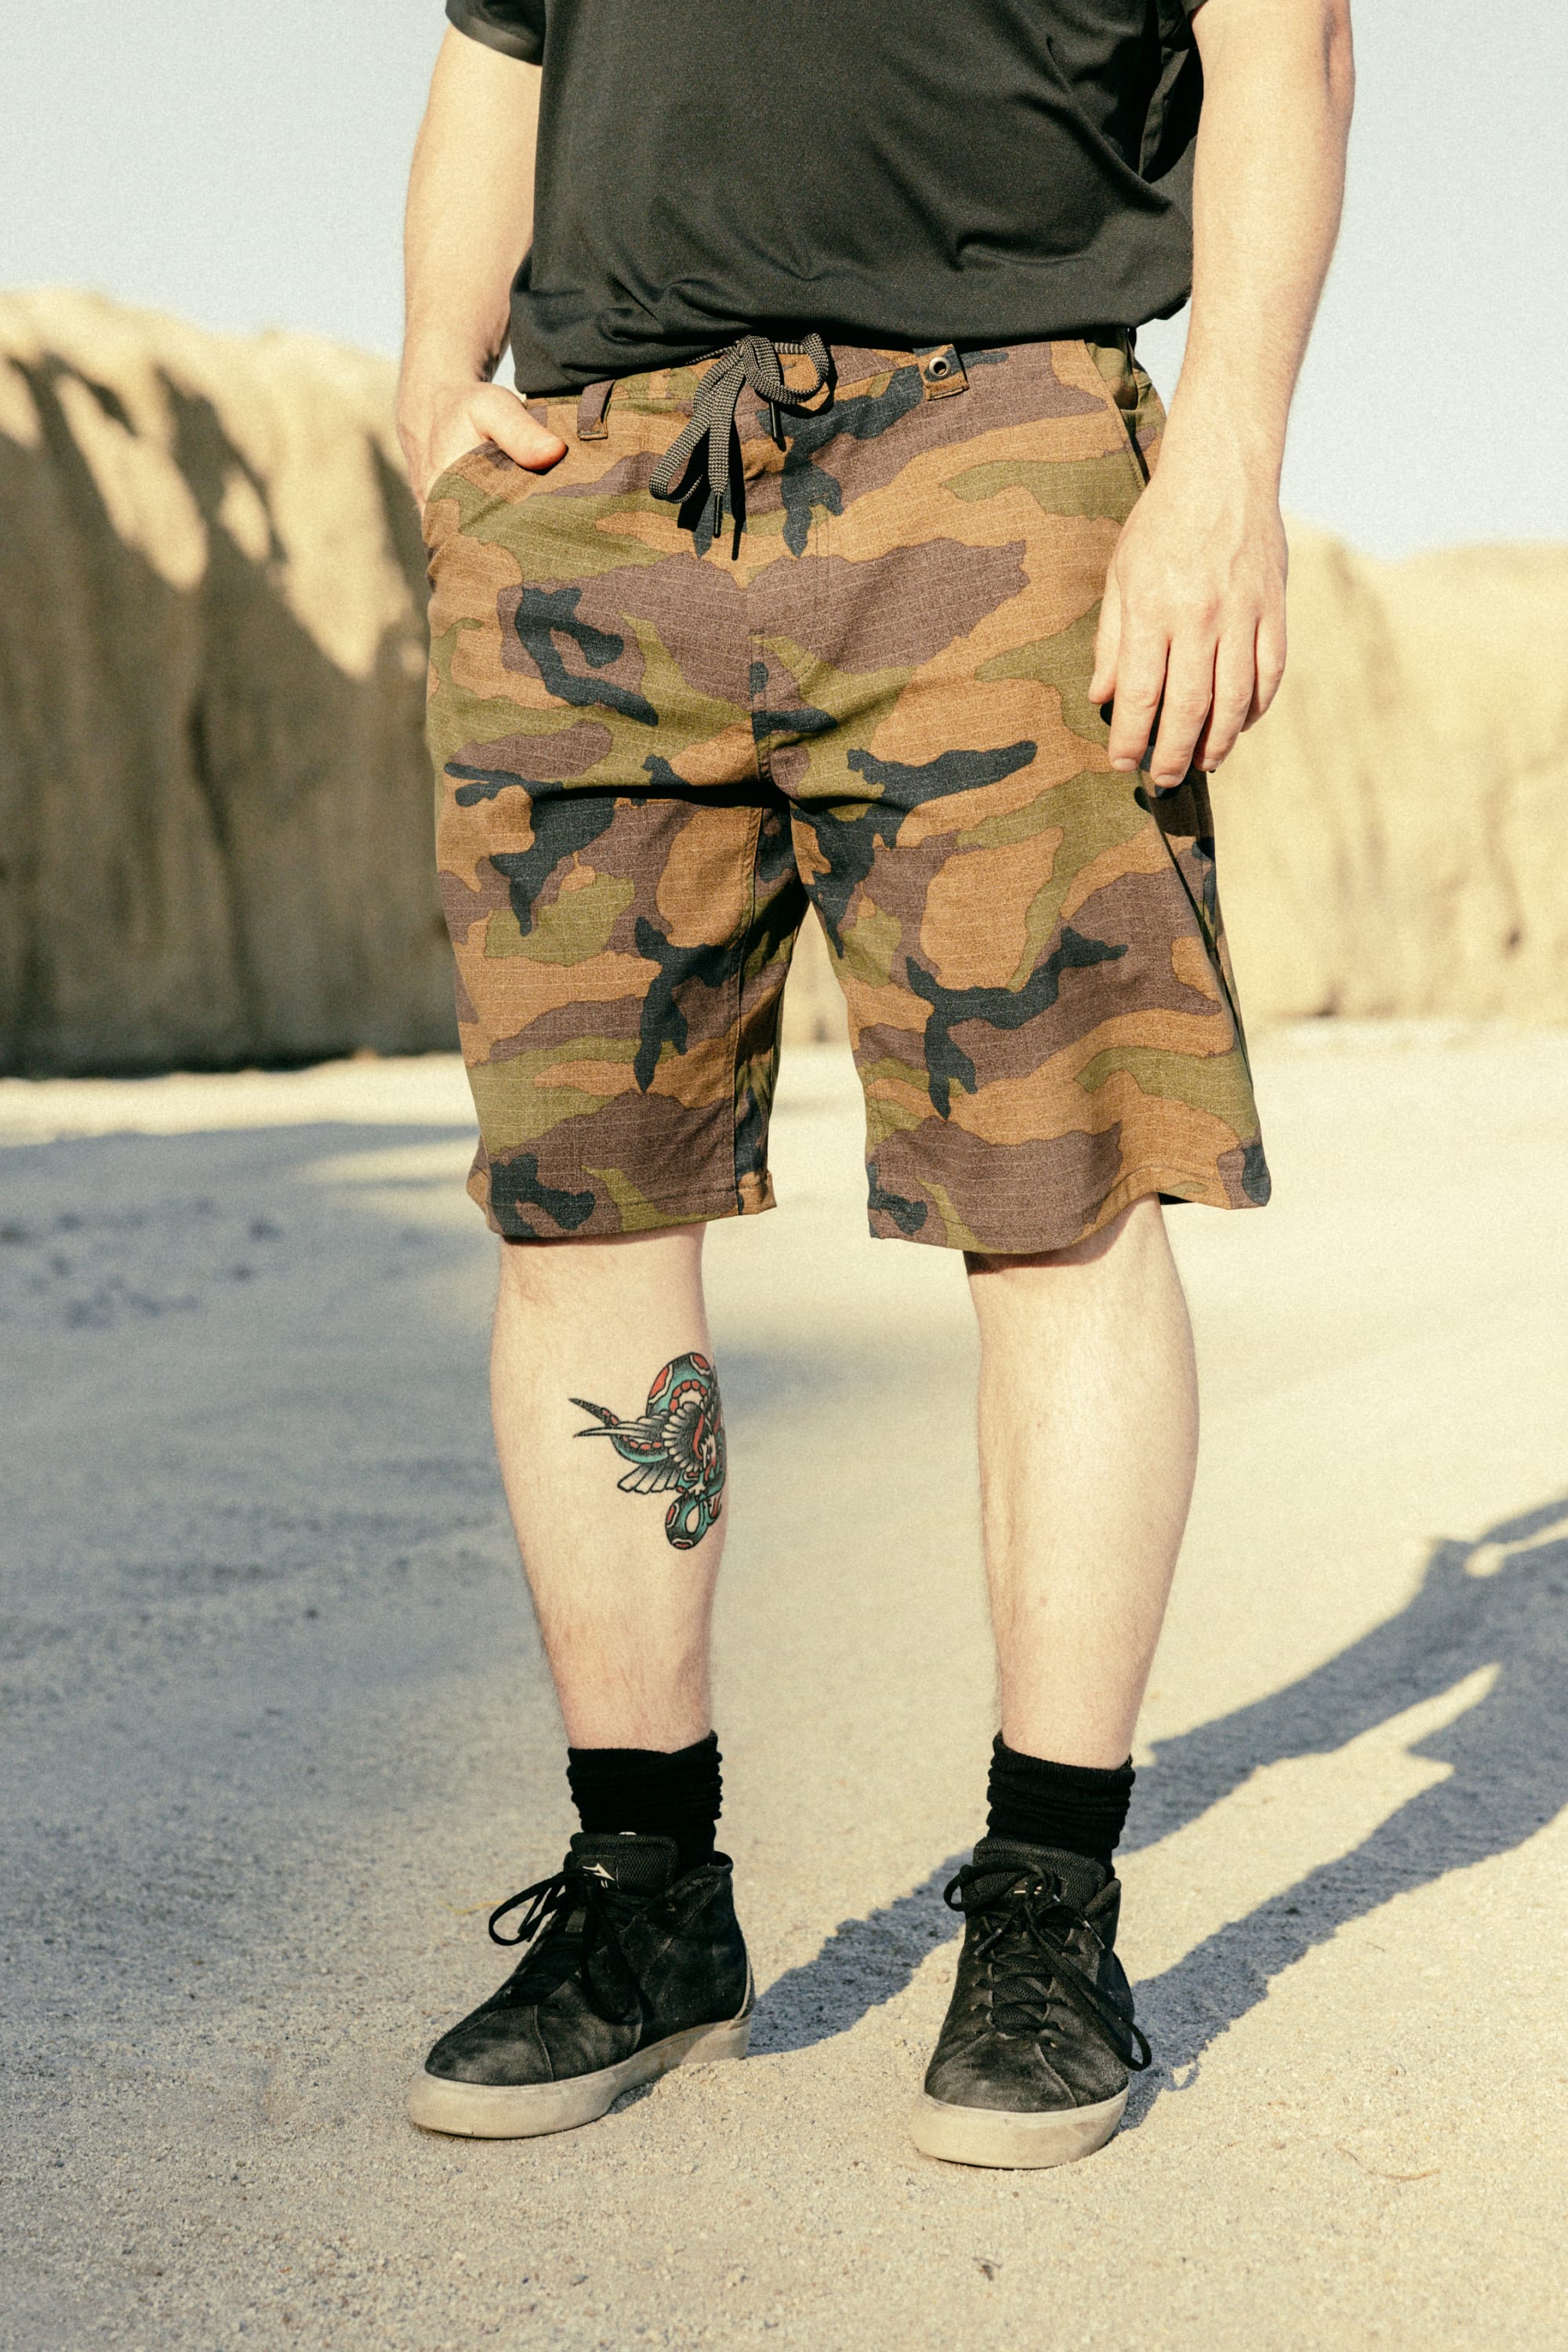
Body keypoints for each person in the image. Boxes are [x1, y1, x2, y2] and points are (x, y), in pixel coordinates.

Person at [397, 0, 1352, 2167]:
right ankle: (643, 1901)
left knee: (1062, 1200)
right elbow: (497, 41)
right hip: (594, 494)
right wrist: (425, 388)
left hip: (994, 455)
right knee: (585, 1211)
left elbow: (1283, 32)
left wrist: (1227, 460)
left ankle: (1044, 1909)